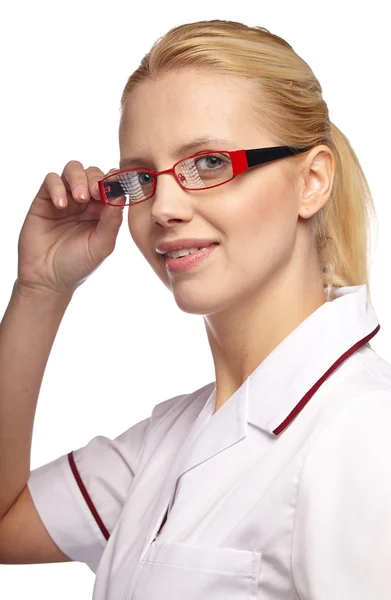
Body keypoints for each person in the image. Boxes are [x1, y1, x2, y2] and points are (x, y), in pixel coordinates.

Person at [0, 17, 390, 600]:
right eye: (140, 177)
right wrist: (39, 289)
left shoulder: (361, 431)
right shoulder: (174, 438)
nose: (164, 207)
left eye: (208, 164)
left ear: (311, 181)